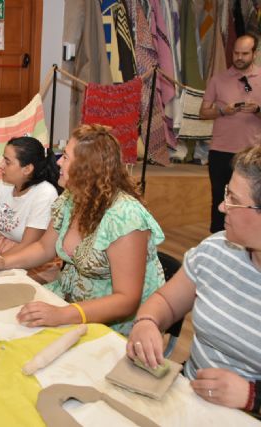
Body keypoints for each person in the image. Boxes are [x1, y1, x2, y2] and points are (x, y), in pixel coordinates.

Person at [0, 124, 165, 335]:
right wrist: (4, 262)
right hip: (70, 301)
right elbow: (44, 248)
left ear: (86, 167)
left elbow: (126, 300)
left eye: (66, 157)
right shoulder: (70, 199)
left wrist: (62, 315)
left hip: (117, 324)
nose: (58, 161)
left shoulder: (125, 218)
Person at [127, 144, 261, 415]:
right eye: (226, 193)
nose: (223, 206)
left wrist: (252, 396)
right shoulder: (216, 249)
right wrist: (147, 322)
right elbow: (166, 301)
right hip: (189, 398)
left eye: (234, 199)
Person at [200, 34, 261, 233]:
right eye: (236, 53)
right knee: (219, 197)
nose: (239, 57)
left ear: (254, 53)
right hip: (220, 150)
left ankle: (249, 240)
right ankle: (217, 241)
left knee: (250, 199)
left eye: (244, 53)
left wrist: (258, 110)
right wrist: (222, 111)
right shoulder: (218, 79)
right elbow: (203, 112)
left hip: (252, 153)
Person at [0, 136, 60, 260]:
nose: (0, 165)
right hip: (2, 251)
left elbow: (28, 245)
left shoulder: (45, 194)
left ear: (27, 169)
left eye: (7, 161)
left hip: (30, 258)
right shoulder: (4, 184)